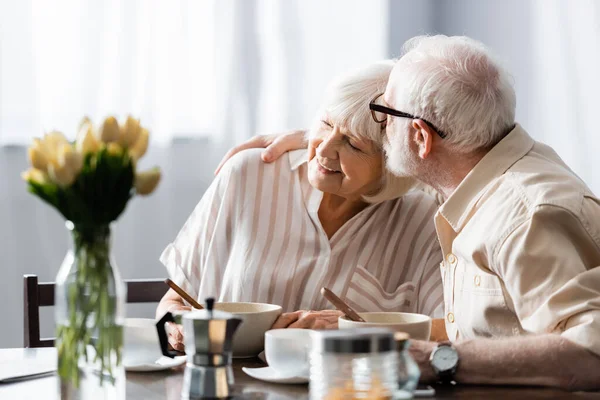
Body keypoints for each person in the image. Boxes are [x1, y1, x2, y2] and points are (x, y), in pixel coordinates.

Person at [218, 36, 600, 390]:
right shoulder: (476, 174)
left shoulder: (526, 215)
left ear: (420, 137)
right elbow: (412, 160)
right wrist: (318, 142)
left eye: (382, 115)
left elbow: (591, 353)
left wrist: (435, 359)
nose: (380, 130)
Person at [157, 61, 444, 353]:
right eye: (326, 123)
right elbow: (174, 300)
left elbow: (451, 331)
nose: (322, 150)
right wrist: (173, 325)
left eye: (352, 144)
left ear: (394, 163)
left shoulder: (425, 219)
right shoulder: (248, 175)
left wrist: (351, 328)